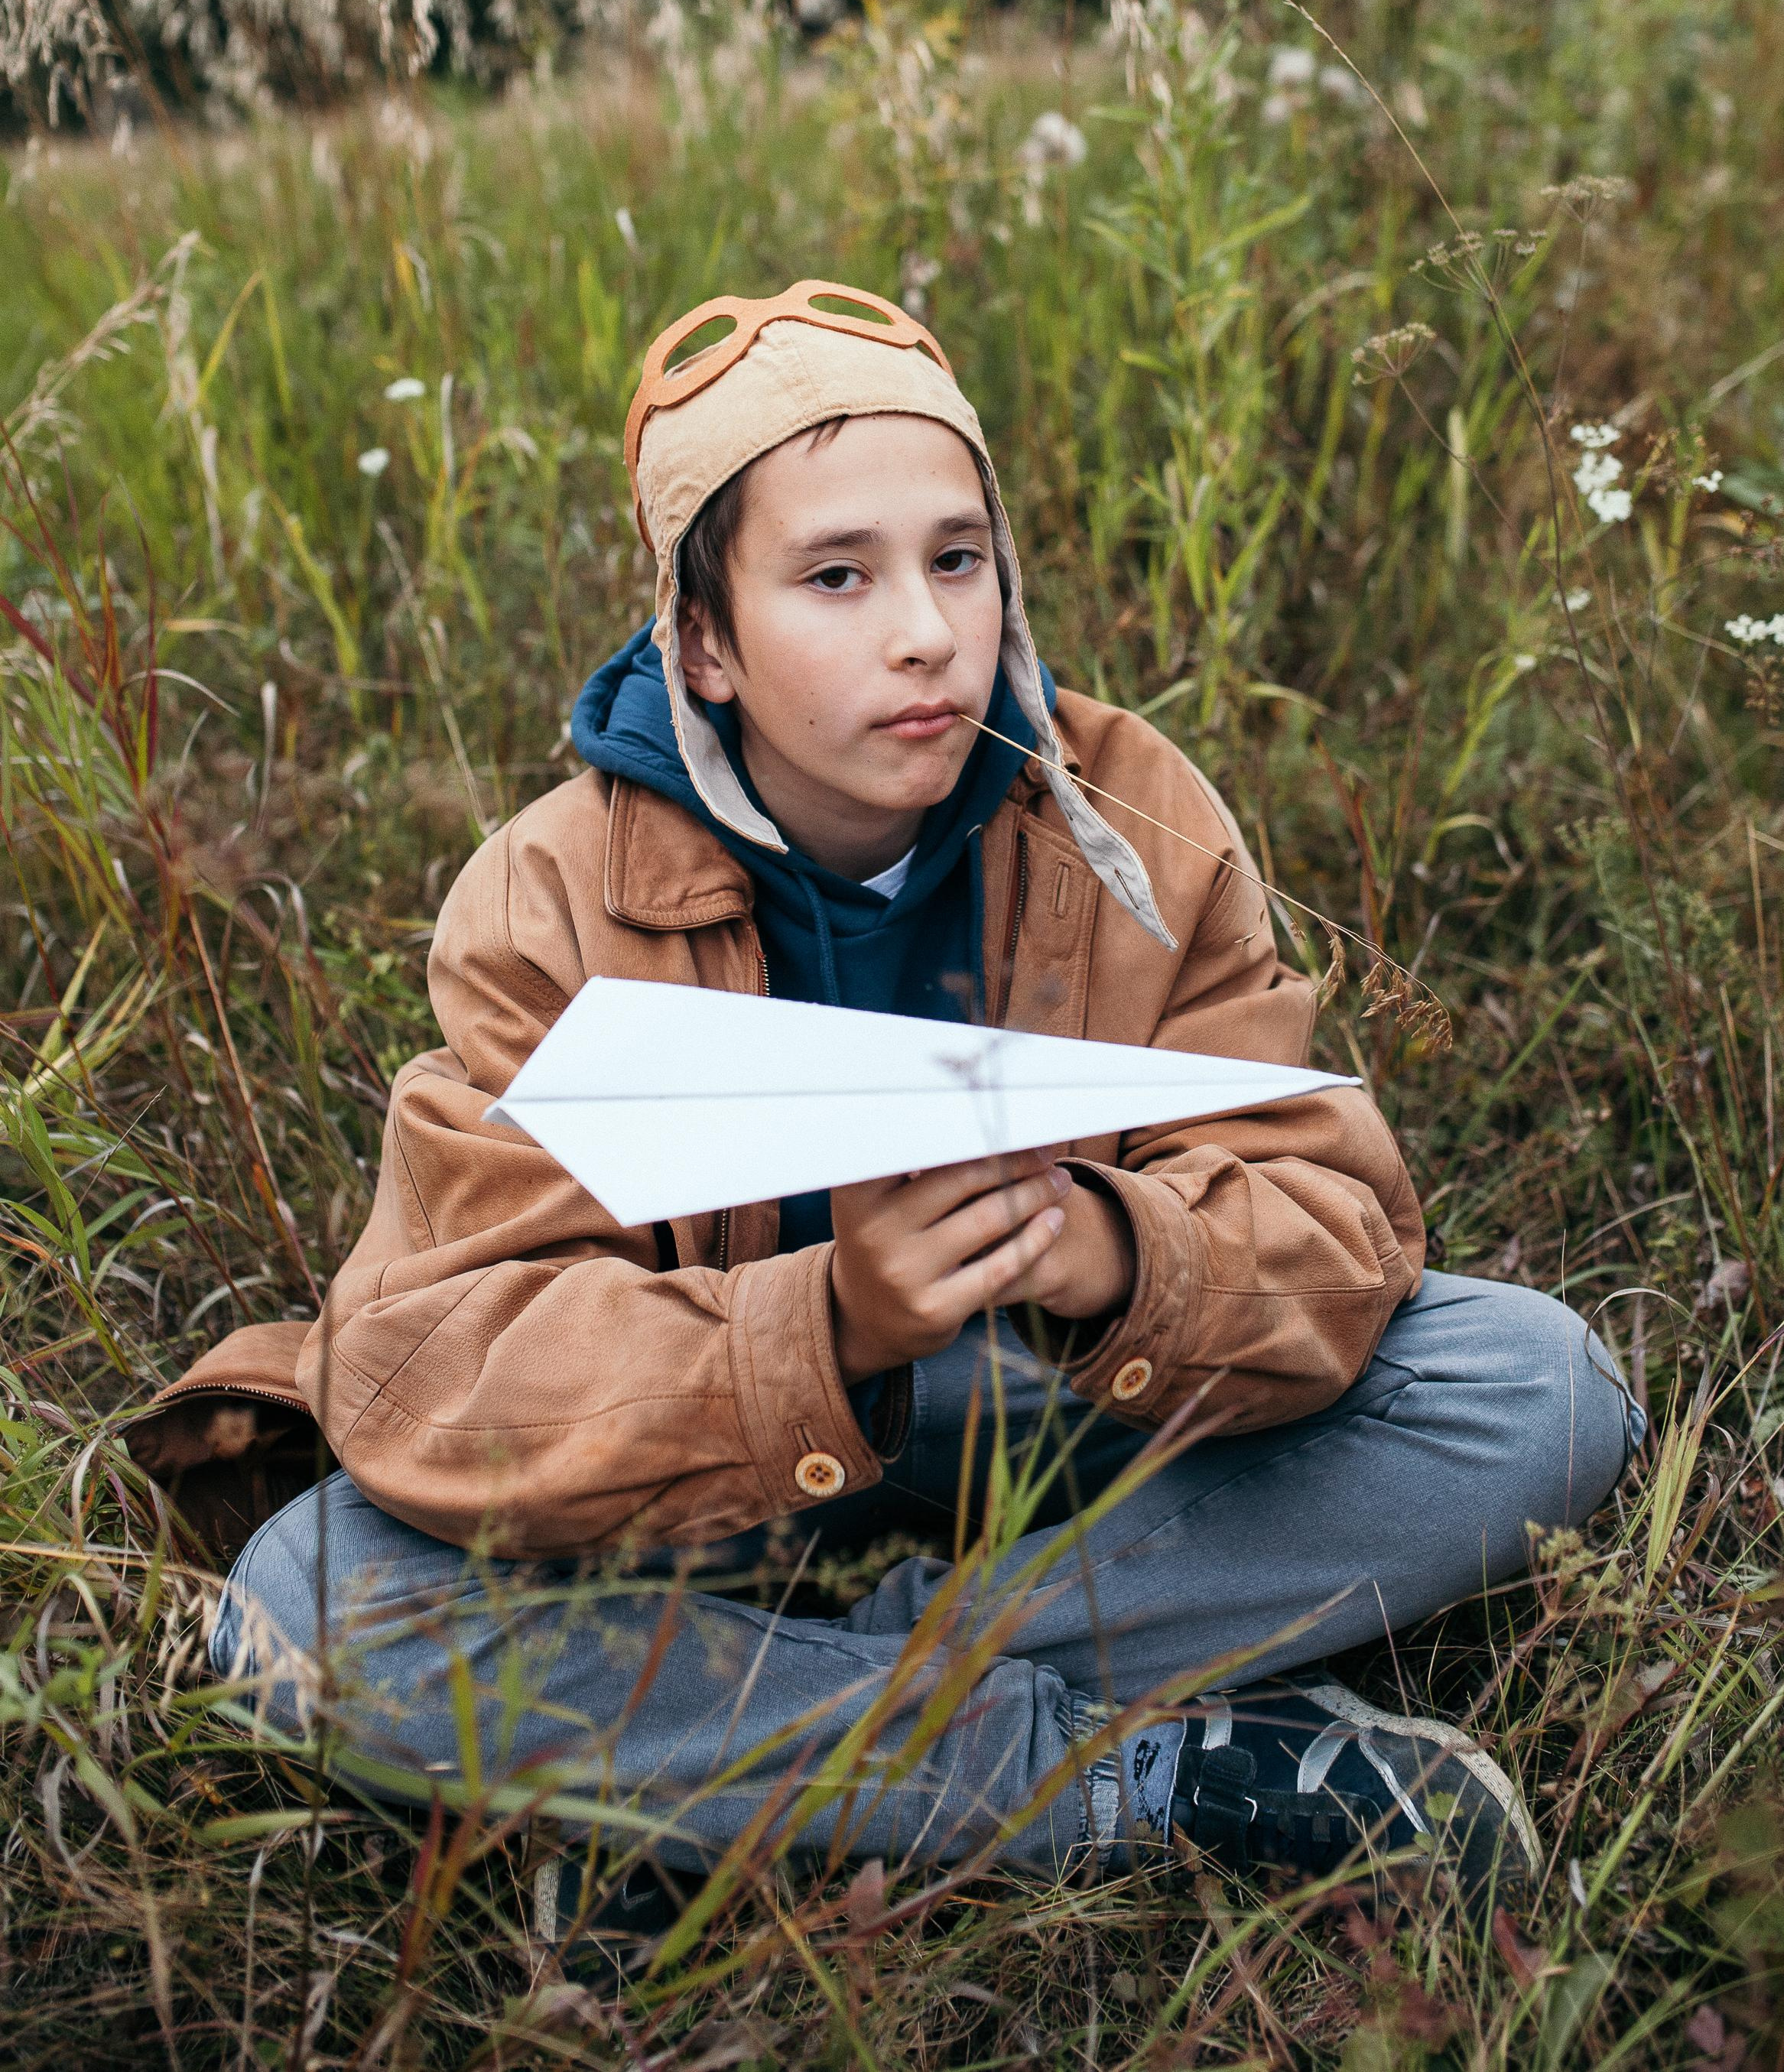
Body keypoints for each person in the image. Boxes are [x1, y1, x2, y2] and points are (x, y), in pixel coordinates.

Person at [133, 283, 1639, 1957]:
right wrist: (831, 1318)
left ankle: (757, 1754)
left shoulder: (1128, 810)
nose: (924, 631)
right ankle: (1114, 1777)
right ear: (702, 641)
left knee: (1536, 1387)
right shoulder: (548, 893)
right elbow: (438, 1359)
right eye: (837, 575)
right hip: (697, 1492)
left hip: (1066, 1453)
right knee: (309, 1605)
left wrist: (1115, 1250)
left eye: (959, 559)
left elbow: (1335, 1218)